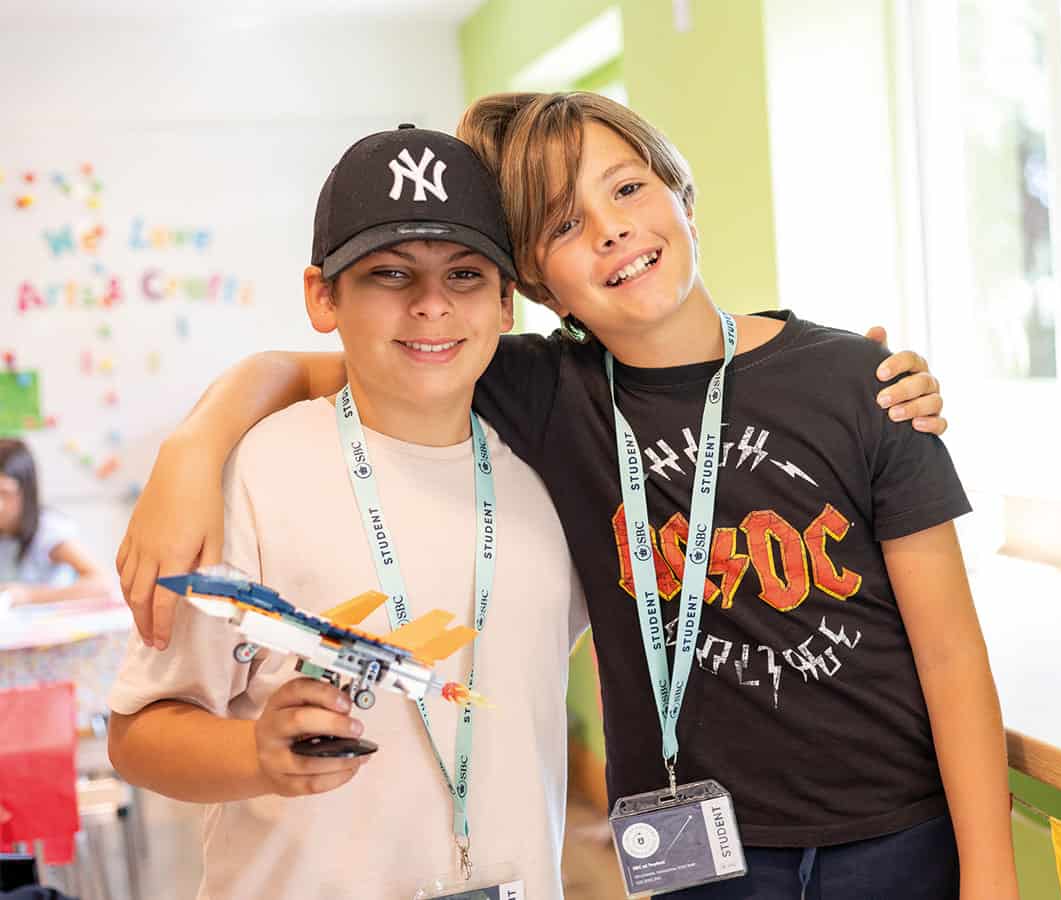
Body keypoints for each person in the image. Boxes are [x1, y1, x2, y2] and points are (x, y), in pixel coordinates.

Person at [113, 96, 991, 898]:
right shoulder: (538, 402)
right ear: (533, 285)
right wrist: (191, 449)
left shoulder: (841, 385)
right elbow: (329, 370)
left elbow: (950, 655)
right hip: (696, 860)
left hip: (884, 836)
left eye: (629, 188)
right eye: (568, 223)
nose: (613, 231)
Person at [107, 126, 586, 899]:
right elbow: (136, 736)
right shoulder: (253, 471)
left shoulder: (555, 471)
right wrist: (253, 754)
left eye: (464, 274)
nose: (431, 304)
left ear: (506, 303)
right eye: (389, 273)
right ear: (322, 296)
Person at [0, 439, 114, 611]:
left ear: (26, 492)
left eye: (5, 493)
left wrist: (28, 596)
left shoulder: (48, 530)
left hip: (49, 628)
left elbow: (102, 584)